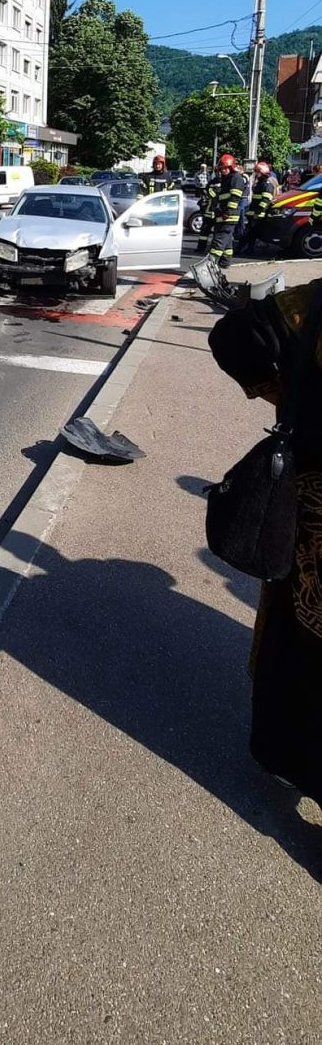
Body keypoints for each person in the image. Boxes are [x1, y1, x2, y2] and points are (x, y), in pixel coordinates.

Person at [209, 279, 322, 806]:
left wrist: (285, 395)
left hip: (315, 505)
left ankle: (292, 756)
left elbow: (233, 338)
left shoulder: (311, 304)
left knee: (302, 636)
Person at [209, 152, 247, 270]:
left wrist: (228, 212)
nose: (224, 170)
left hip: (228, 215)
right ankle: (225, 262)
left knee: (219, 240)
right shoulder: (227, 179)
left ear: (231, 167)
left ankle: (210, 264)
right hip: (223, 214)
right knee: (227, 241)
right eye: (222, 168)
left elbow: (234, 197)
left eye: (226, 168)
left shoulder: (236, 179)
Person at [242, 160, 276, 252]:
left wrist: (258, 212)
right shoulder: (260, 184)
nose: (256, 174)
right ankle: (249, 249)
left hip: (258, 215)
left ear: (263, 173)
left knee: (252, 233)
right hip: (253, 213)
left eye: (257, 172)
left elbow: (265, 201)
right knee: (251, 233)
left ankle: (247, 249)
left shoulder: (267, 185)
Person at [196, 170, 220, 254]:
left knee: (218, 233)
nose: (219, 173)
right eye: (218, 172)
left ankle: (214, 250)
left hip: (219, 212)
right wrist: (203, 206)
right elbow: (205, 195)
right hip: (208, 211)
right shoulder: (211, 183)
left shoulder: (227, 182)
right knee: (204, 232)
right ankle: (200, 248)